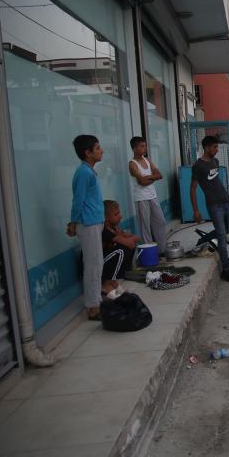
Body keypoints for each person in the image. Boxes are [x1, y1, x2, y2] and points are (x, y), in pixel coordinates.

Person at [190, 135, 229, 283]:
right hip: (214, 205)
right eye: (214, 147)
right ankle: (227, 269)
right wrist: (196, 210)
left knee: (225, 231)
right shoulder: (198, 166)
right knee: (222, 238)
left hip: (225, 201)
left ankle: (203, 239)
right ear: (205, 148)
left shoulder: (215, 161)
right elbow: (192, 189)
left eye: (217, 147)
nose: (216, 150)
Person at [67, 135, 105, 320]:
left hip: (94, 222)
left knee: (97, 263)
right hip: (87, 223)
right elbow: (78, 200)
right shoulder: (83, 172)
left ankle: (96, 299)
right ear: (87, 153)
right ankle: (92, 306)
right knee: (92, 265)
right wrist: (73, 223)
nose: (101, 150)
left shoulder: (89, 171)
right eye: (97, 148)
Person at [129, 136, 167, 255]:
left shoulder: (147, 160)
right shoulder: (132, 164)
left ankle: (162, 250)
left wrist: (149, 177)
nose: (144, 148)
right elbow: (142, 182)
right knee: (145, 228)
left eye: (145, 145)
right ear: (134, 148)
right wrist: (152, 177)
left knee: (160, 222)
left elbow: (159, 175)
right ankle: (150, 253)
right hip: (141, 198)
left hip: (152, 196)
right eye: (141, 146)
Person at [101, 200, 140, 295]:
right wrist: (124, 238)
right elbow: (129, 242)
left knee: (127, 248)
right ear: (106, 217)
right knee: (121, 251)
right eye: (116, 214)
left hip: (105, 262)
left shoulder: (113, 228)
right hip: (97, 266)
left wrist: (122, 235)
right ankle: (106, 284)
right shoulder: (104, 230)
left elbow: (136, 238)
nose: (121, 216)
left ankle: (113, 281)